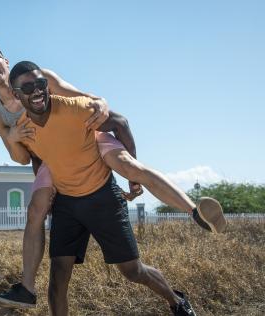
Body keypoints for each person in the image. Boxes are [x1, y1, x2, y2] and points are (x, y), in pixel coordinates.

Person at [0, 41, 226, 309]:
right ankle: (27, 288)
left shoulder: (43, 80)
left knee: (129, 168)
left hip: (85, 137)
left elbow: (90, 101)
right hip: (52, 160)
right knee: (37, 216)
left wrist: (100, 102)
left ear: (5, 60)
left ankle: (195, 212)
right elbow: (26, 157)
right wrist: (13, 139)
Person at [10, 61, 198, 315]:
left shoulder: (76, 108)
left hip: (102, 197)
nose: (37, 91)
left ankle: (176, 301)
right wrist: (50, 193)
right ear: (15, 94)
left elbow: (120, 122)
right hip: (67, 204)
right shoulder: (24, 128)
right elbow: (37, 157)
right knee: (57, 279)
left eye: (41, 84)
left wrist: (133, 177)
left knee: (133, 271)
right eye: (28, 87)